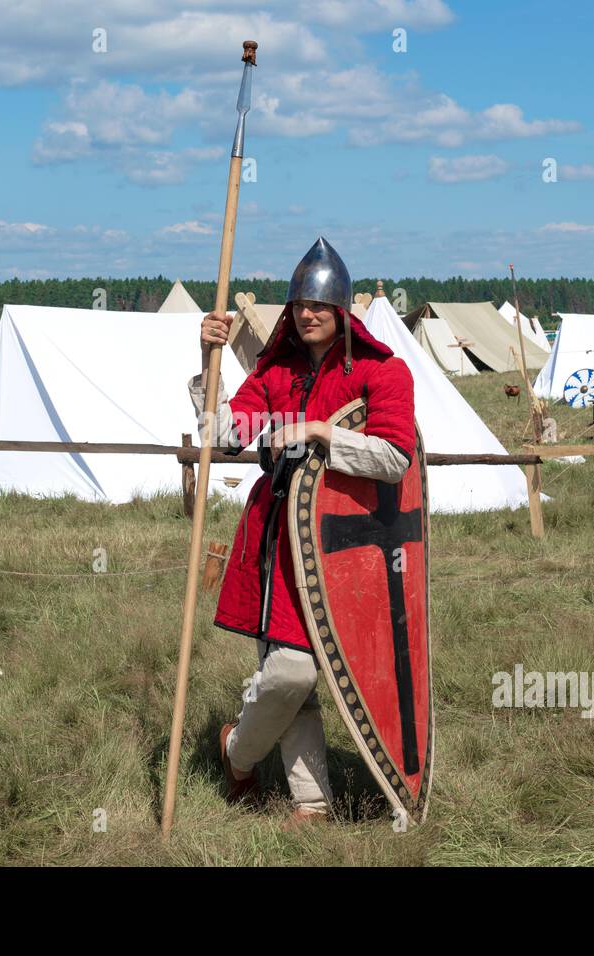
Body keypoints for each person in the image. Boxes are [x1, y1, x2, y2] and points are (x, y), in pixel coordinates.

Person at [190, 237, 416, 828]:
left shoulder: (382, 372)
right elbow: (225, 436)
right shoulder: (276, 374)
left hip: (354, 551)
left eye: (318, 305)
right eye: (297, 306)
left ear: (343, 311)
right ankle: (300, 794)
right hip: (278, 543)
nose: (306, 314)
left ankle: (247, 756)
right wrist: (206, 363)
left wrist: (320, 433)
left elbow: (394, 458)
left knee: (359, 671)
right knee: (293, 672)